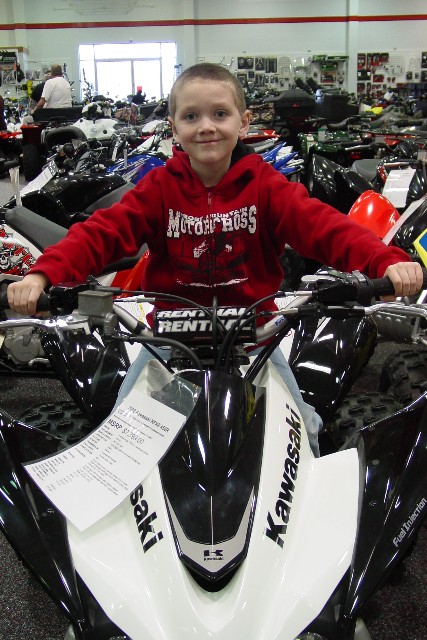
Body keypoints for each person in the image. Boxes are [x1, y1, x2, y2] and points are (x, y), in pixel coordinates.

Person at [7, 62, 423, 456]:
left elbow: (325, 227)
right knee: (120, 432)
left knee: (304, 430)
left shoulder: (266, 186)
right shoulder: (159, 188)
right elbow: (100, 233)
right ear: (174, 128)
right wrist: (42, 276)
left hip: (254, 338)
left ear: (243, 122)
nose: (206, 126)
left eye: (220, 114)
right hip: (169, 341)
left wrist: (385, 261)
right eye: (191, 116)